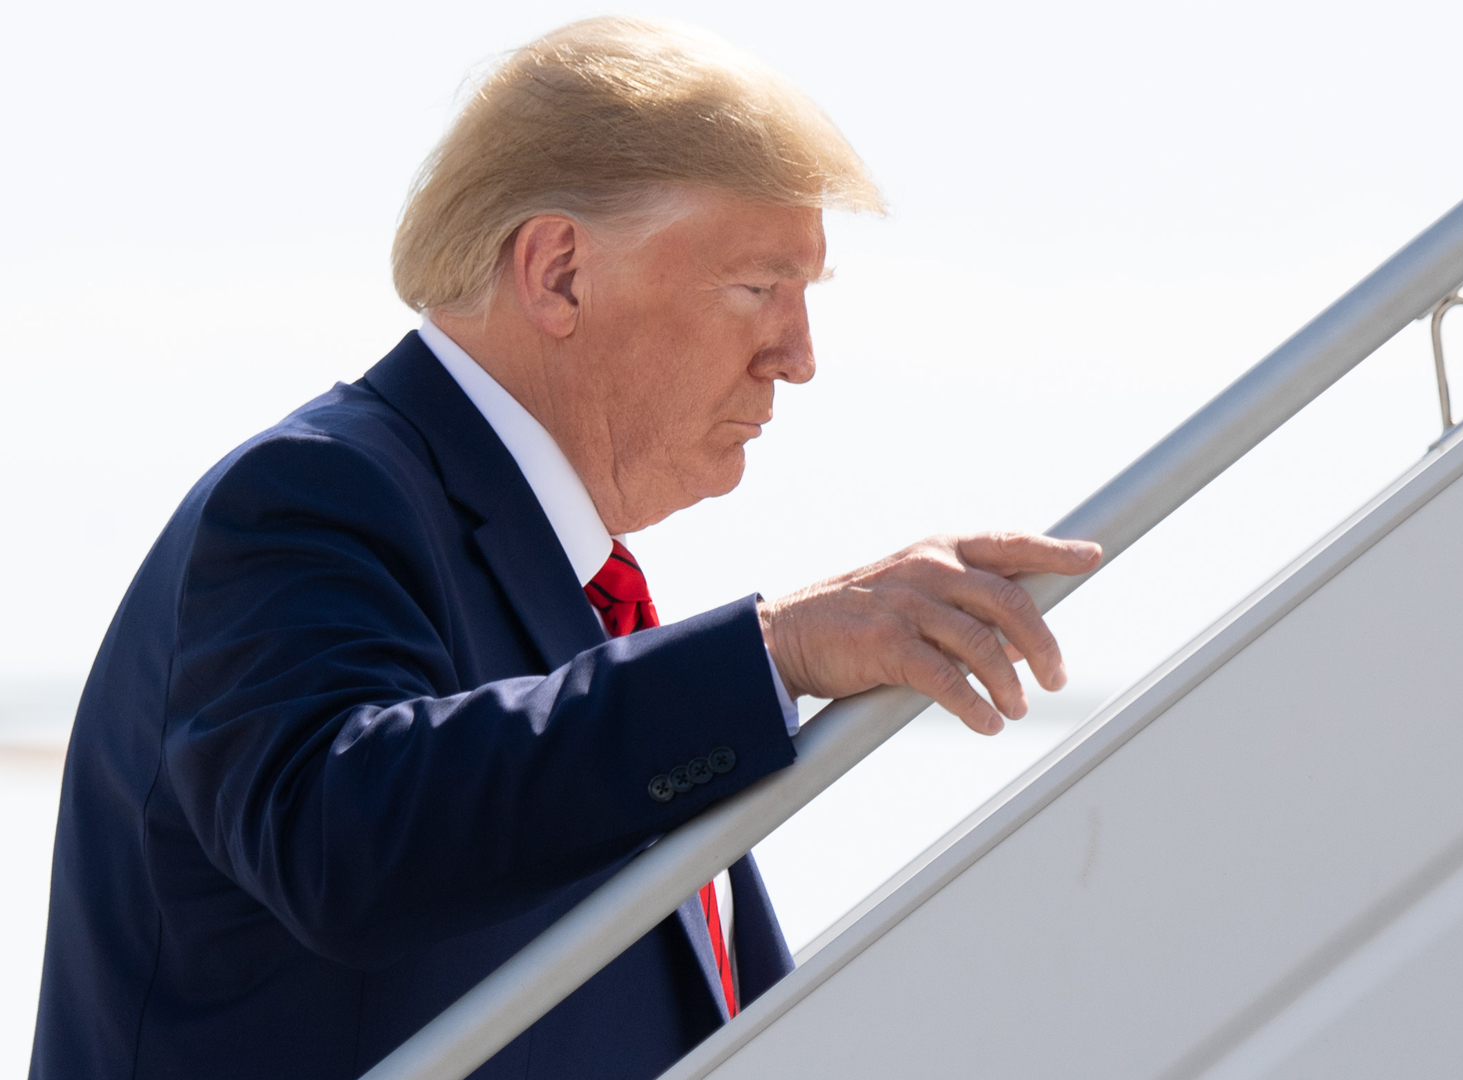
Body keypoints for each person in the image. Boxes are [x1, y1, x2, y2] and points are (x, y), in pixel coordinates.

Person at [29, 17, 1099, 1080]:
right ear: (558, 273)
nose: (798, 356)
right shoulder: (316, 494)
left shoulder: (567, 592)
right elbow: (339, 837)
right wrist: (769, 657)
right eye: (759, 287)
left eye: (805, 296)